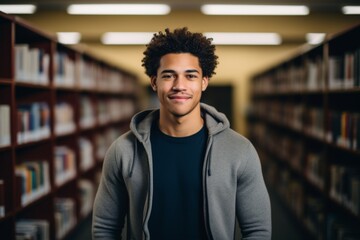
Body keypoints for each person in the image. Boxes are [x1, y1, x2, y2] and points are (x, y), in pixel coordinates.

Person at [92, 27, 271, 240]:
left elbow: (257, 231)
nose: (179, 86)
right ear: (154, 82)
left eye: (190, 76)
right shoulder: (123, 150)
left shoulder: (240, 150)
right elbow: (105, 228)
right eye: (168, 75)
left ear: (204, 82)